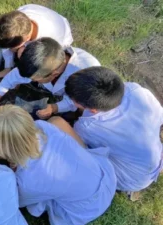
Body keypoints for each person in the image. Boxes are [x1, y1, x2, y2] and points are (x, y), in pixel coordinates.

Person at [0, 105, 117, 225]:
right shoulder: (41, 126)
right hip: (104, 175)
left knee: (37, 199)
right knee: (56, 121)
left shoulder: (27, 182)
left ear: (1, 149)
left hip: (89, 206)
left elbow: (14, 201)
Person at [66, 66, 163, 197]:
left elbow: (74, 145)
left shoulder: (88, 126)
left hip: (131, 179)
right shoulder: (136, 90)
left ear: (93, 110)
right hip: (155, 157)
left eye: (74, 101)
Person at [0, 37, 100, 118]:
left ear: (54, 74)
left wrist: (54, 108)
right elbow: (14, 76)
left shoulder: (86, 77)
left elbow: (74, 102)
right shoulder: (39, 57)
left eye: (35, 80)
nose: (31, 81)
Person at [0, 4, 73, 79]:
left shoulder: (51, 39)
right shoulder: (18, 17)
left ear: (27, 38)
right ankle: (8, 69)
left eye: (12, 47)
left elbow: (52, 58)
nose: (9, 49)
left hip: (61, 37)